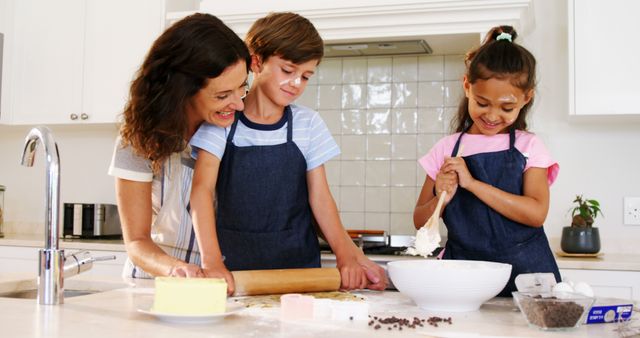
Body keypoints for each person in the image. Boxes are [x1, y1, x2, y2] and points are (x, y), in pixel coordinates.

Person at [189, 12, 388, 294]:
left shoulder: (308, 124)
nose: (296, 83)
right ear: (256, 61)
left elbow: (321, 199)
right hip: (235, 272)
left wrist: (347, 256)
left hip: (300, 272)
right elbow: (201, 192)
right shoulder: (223, 121)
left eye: (306, 76)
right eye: (288, 70)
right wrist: (212, 263)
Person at [413, 26, 560, 296]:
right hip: (462, 278)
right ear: (467, 86)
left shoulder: (530, 146)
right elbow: (421, 221)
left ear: (526, 98)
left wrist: (471, 183)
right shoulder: (446, 149)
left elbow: (536, 213)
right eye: (482, 103)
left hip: (526, 278)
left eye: (506, 108)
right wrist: (441, 198)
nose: (492, 115)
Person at [108, 13, 251, 278]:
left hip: (224, 280)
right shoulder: (137, 140)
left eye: (242, 88)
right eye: (222, 95)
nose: (239, 104)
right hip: (157, 282)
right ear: (183, 90)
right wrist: (176, 269)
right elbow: (137, 242)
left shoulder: (239, 129)